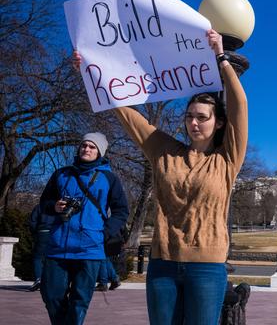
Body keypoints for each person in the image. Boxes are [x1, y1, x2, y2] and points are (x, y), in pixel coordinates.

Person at [73, 29, 247, 325]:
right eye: (189, 116)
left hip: (207, 267)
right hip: (162, 264)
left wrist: (221, 58)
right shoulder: (165, 150)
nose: (193, 122)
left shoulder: (227, 158)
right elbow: (129, 116)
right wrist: (91, 73)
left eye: (202, 117)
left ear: (218, 123)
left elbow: (239, 106)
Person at [39, 133, 129, 324]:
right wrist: (54, 207)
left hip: (90, 248)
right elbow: (44, 202)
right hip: (58, 247)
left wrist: (104, 232)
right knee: (51, 296)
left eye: (92, 147)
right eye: (84, 145)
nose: (86, 149)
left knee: (79, 301)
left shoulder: (109, 178)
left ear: (100, 152)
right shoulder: (61, 174)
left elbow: (121, 211)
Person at [28, 199, 56, 292]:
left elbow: (32, 221)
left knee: (38, 257)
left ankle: (38, 279)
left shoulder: (39, 207)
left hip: (42, 232)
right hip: (55, 234)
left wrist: (35, 233)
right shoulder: (59, 207)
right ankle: (52, 281)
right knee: (54, 258)